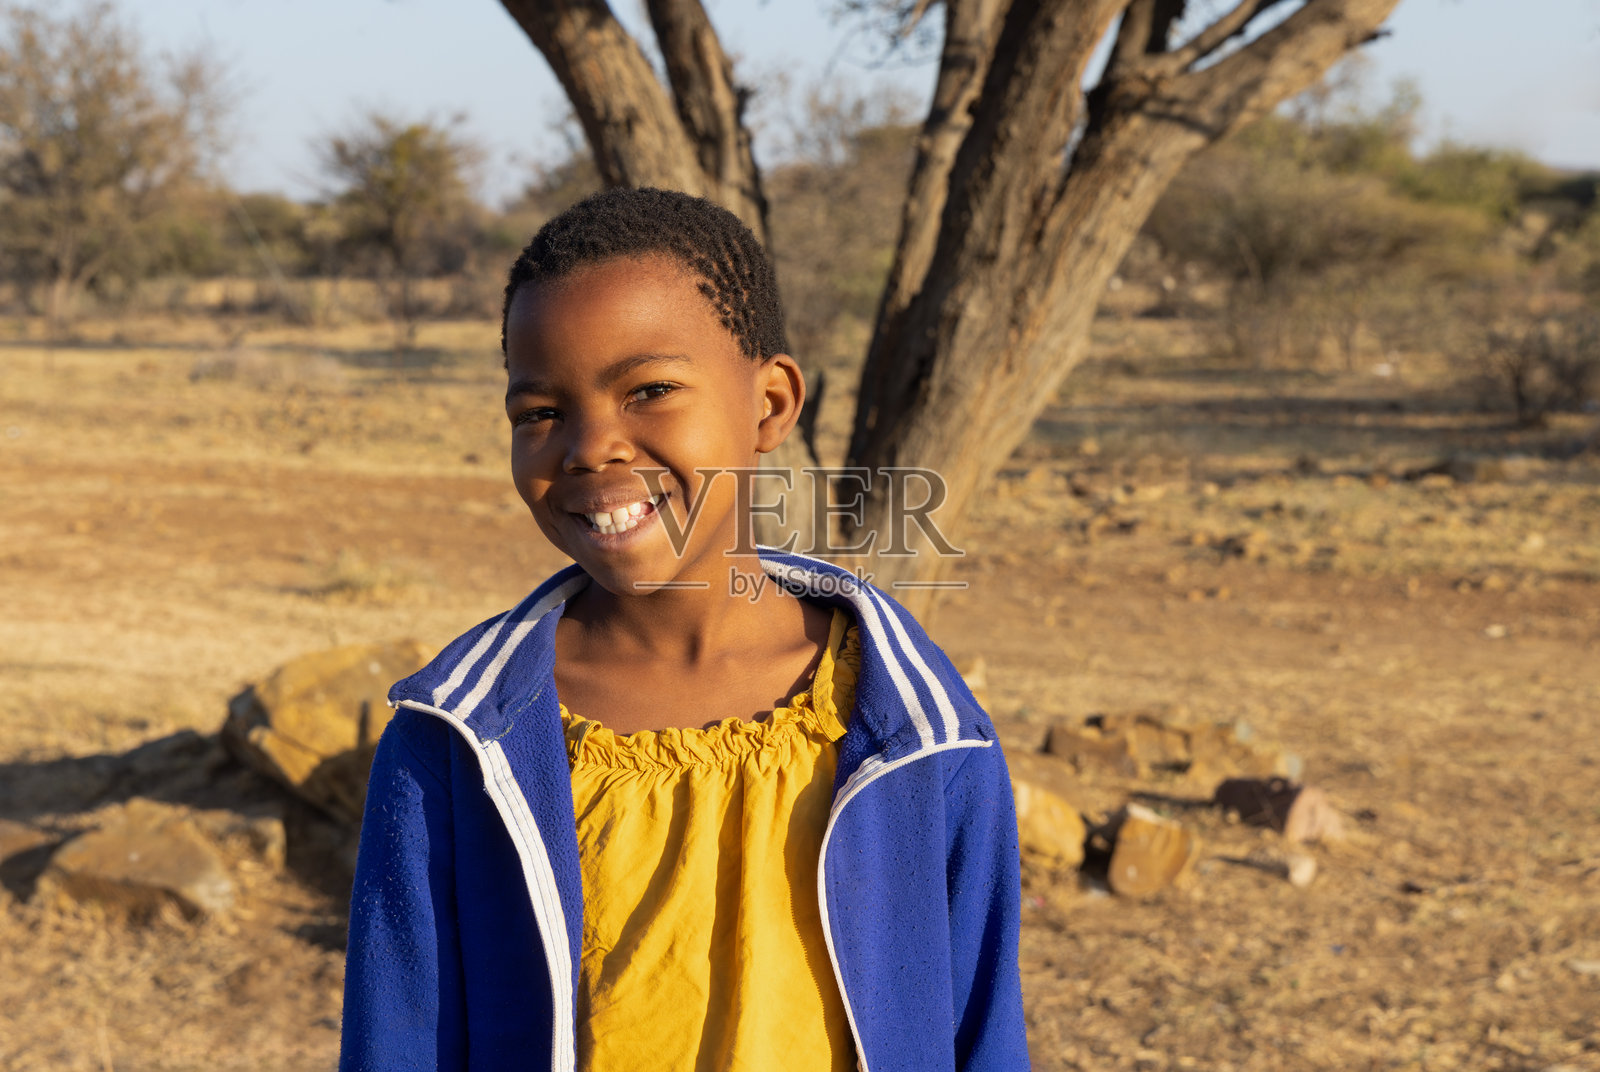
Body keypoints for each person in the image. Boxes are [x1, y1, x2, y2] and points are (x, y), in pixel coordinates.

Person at [339, 187, 1028, 1072]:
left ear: (771, 404)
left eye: (651, 391)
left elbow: (980, 1033)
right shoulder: (455, 743)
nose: (591, 446)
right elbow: (396, 1039)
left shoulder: (921, 735)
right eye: (539, 413)